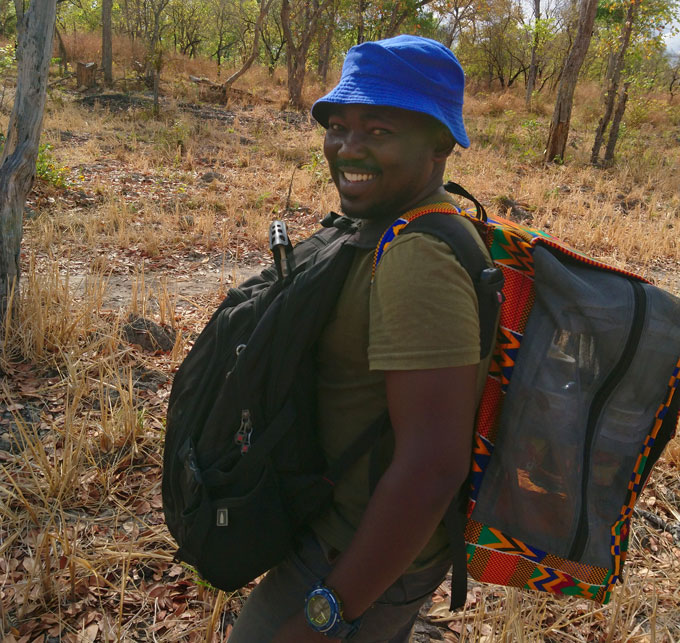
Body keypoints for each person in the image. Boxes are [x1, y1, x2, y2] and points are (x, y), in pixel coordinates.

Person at [228, 34, 494, 643]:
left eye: (379, 131)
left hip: (359, 556)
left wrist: (327, 615)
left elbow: (432, 467)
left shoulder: (417, 258)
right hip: (342, 534)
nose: (349, 147)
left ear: (439, 145)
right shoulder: (384, 228)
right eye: (339, 125)